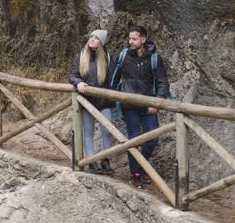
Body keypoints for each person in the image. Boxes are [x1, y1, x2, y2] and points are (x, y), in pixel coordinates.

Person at [109, 26, 171, 188]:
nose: (130, 41)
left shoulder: (154, 58)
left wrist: (157, 102)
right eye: (129, 38)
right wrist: (114, 98)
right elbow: (113, 78)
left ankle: (141, 168)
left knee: (153, 139)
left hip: (148, 105)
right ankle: (135, 174)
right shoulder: (123, 56)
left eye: (134, 39)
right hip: (129, 105)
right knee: (134, 139)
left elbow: (162, 82)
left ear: (143, 39)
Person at [69, 29, 114, 174]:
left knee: (107, 131)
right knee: (88, 132)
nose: (92, 39)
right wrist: (78, 82)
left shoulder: (107, 57)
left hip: (104, 101)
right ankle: (91, 161)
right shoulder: (81, 56)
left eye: (96, 38)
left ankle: (105, 160)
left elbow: (112, 79)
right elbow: (73, 75)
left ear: (101, 42)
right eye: (91, 37)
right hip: (87, 101)